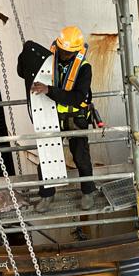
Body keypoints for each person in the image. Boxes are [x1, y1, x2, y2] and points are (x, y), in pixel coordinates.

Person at [23, 26, 98, 212]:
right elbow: (24, 71)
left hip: (76, 117)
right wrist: (26, 59)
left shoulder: (84, 68)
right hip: (52, 116)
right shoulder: (50, 60)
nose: (64, 54)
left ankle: (88, 192)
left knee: (81, 157)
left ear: (76, 51)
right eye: (62, 49)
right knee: (46, 156)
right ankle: (47, 195)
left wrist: (49, 90)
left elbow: (78, 97)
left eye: (67, 52)